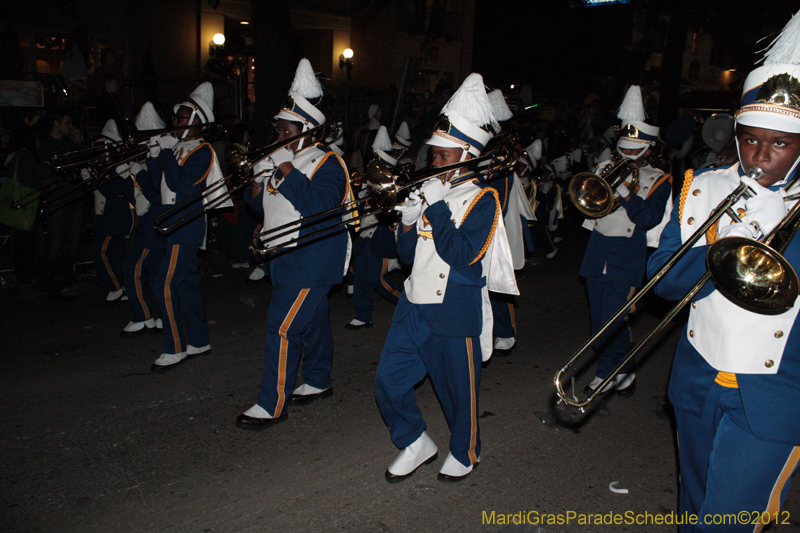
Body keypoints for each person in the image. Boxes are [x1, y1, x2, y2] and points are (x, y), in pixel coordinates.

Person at [648, 12, 800, 530]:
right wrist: (722, 238)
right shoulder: (702, 186)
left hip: (776, 396)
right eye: (749, 138)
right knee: (694, 509)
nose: (760, 155)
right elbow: (664, 284)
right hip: (697, 379)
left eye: (780, 143)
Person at [374, 73, 517, 483]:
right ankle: (415, 440)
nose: (432, 163)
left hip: (455, 308)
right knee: (389, 380)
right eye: (432, 155)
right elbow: (406, 257)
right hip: (414, 303)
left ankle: (464, 451)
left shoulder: (483, 199)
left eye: (442, 157)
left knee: (458, 392)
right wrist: (405, 223)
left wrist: (434, 210)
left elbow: (462, 255)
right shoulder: (430, 191)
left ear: (468, 155)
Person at [235, 58, 350, 430]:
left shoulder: (329, 162)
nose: (279, 136)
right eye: (278, 130)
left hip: (313, 259)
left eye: (286, 131)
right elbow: (264, 207)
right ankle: (318, 379)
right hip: (282, 255)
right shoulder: (282, 158)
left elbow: (318, 206)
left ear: (306, 130)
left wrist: (285, 169)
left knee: (282, 328)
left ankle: (273, 403)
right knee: (312, 321)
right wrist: (255, 188)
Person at [581, 85, 672, 397]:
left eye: (634, 150)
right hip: (598, 251)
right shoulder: (605, 167)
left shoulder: (660, 179)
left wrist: (624, 191)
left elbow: (648, 218)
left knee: (614, 321)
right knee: (597, 323)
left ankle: (624, 366)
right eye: (623, 148)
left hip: (627, 255)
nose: (627, 155)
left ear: (647, 149)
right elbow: (587, 204)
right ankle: (606, 369)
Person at [142, 82, 224, 372]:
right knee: (188, 285)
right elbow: (157, 189)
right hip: (169, 221)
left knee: (163, 284)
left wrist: (164, 154)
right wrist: (154, 157)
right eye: (175, 117)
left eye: (180, 117)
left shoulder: (203, 151)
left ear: (197, 121)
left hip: (186, 225)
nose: (174, 122)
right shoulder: (175, 149)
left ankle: (174, 347)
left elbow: (180, 184)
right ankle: (199, 341)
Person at [346, 126, 403, 330]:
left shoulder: (396, 189)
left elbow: (393, 217)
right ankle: (363, 314)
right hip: (364, 237)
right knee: (361, 276)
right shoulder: (365, 186)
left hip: (381, 239)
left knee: (378, 279)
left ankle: (409, 303)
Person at [119, 102, 168, 337]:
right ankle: (159, 316)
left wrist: (138, 172)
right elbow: (137, 198)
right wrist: (125, 177)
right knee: (155, 272)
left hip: (153, 225)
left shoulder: (158, 159)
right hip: (148, 223)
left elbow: (155, 194)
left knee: (132, 269)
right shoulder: (145, 160)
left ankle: (143, 315)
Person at [36, 108, 86, 289]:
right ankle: (46, 276)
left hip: (74, 194)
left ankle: (65, 274)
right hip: (58, 196)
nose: (70, 127)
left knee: (72, 238)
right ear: (56, 124)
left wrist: (79, 141)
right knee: (55, 238)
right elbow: (43, 169)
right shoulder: (44, 143)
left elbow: (83, 161)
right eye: (67, 123)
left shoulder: (69, 142)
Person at [89, 119, 134, 302]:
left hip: (114, 220)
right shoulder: (104, 170)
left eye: (102, 149)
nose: (98, 153)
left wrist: (95, 180)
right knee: (116, 256)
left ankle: (115, 286)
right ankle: (124, 286)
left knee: (99, 252)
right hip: (104, 219)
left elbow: (112, 193)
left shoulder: (117, 171)